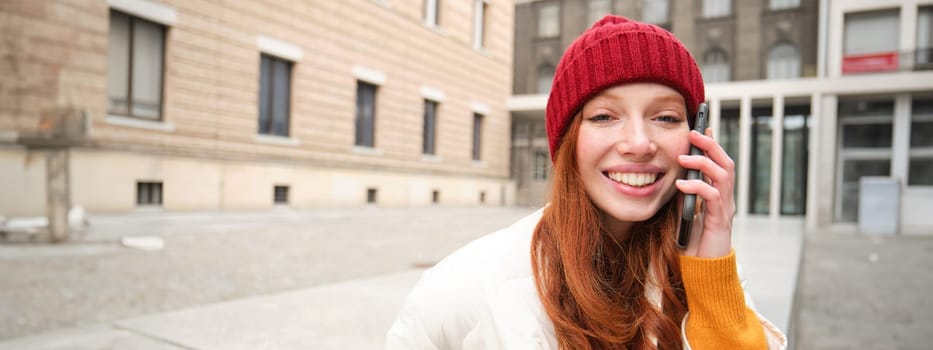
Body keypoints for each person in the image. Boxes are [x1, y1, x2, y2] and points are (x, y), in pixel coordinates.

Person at [387, 15, 786, 349]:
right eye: (603, 117)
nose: (639, 144)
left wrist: (713, 268)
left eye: (665, 118)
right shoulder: (461, 291)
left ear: (698, 139)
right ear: (567, 143)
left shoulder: (705, 273)